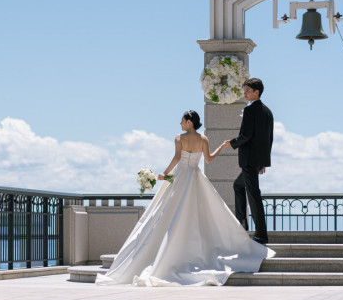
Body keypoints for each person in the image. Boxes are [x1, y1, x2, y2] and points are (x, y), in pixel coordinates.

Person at [96, 110, 273, 287]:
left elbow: (177, 158)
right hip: (196, 177)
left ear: (189, 122)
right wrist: (221, 147)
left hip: (181, 177)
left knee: (168, 213)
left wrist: (164, 173)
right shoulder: (204, 139)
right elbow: (209, 160)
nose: (180, 124)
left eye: (182, 121)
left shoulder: (179, 138)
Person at [222, 78, 273, 245]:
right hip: (258, 160)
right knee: (238, 185)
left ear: (256, 92)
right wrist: (264, 161)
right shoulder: (268, 112)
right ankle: (242, 224)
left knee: (254, 196)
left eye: (247, 91)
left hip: (249, 160)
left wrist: (232, 143)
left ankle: (261, 234)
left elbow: (246, 135)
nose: (244, 93)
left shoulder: (250, 111)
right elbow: (269, 139)